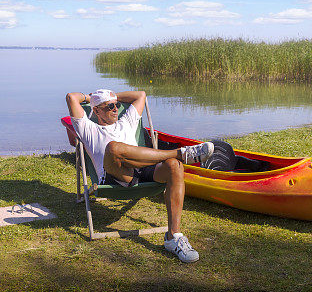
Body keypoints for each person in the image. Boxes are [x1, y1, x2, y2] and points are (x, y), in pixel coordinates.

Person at [66, 89, 214, 263]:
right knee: (114, 148)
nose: (115, 109)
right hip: (117, 175)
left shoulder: (126, 122)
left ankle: (174, 237)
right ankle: (180, 153)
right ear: (96, 110)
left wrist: (112, 97)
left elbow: (140, 95)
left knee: (174, 166)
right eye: (109, 106)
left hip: (143, 169)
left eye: (117, 105)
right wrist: (92, 99)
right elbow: (71, 97)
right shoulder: (88, 129)